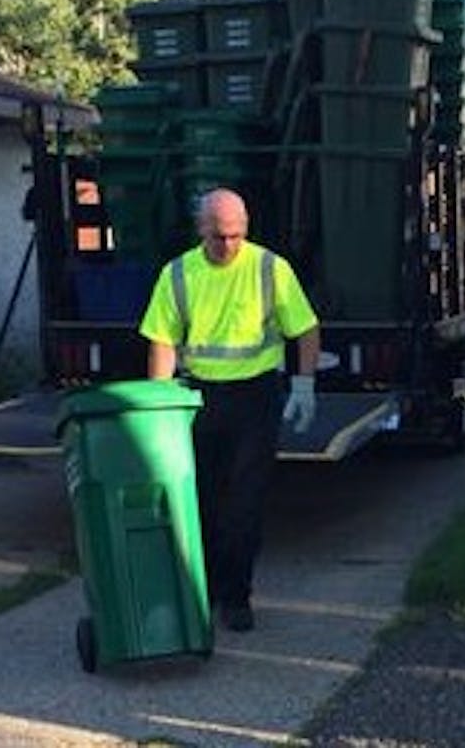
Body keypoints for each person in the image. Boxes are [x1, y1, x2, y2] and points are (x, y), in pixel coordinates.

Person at [139, 188, 320, 632]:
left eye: (236, 235)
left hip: (256, 396)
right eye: (219, 236)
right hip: (200, 396)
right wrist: (159, 405)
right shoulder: (179, 274)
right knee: (198, 500)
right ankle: (204, 590)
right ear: (202, 231)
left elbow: (306, 327)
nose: (228, 245)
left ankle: (236, 596)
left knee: (244, 502)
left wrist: (303, 385)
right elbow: (162, 339)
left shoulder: (269, 269)